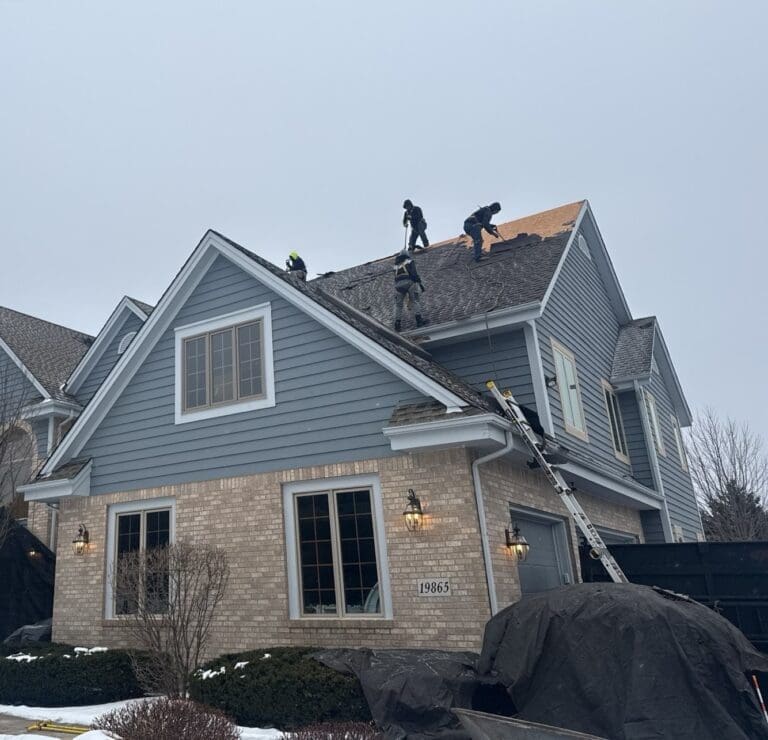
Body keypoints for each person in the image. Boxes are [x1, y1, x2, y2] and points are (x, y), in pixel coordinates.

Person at [393, 251, 426, 331]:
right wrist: (419, 282)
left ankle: (397, 324)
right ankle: (419, 321)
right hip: (409, 283)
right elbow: (414, 273)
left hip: (399, 286)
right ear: (407, 255)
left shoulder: (395, 266)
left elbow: (396, 277)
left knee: (398, 305)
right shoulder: (409, 261)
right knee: (415, 301)